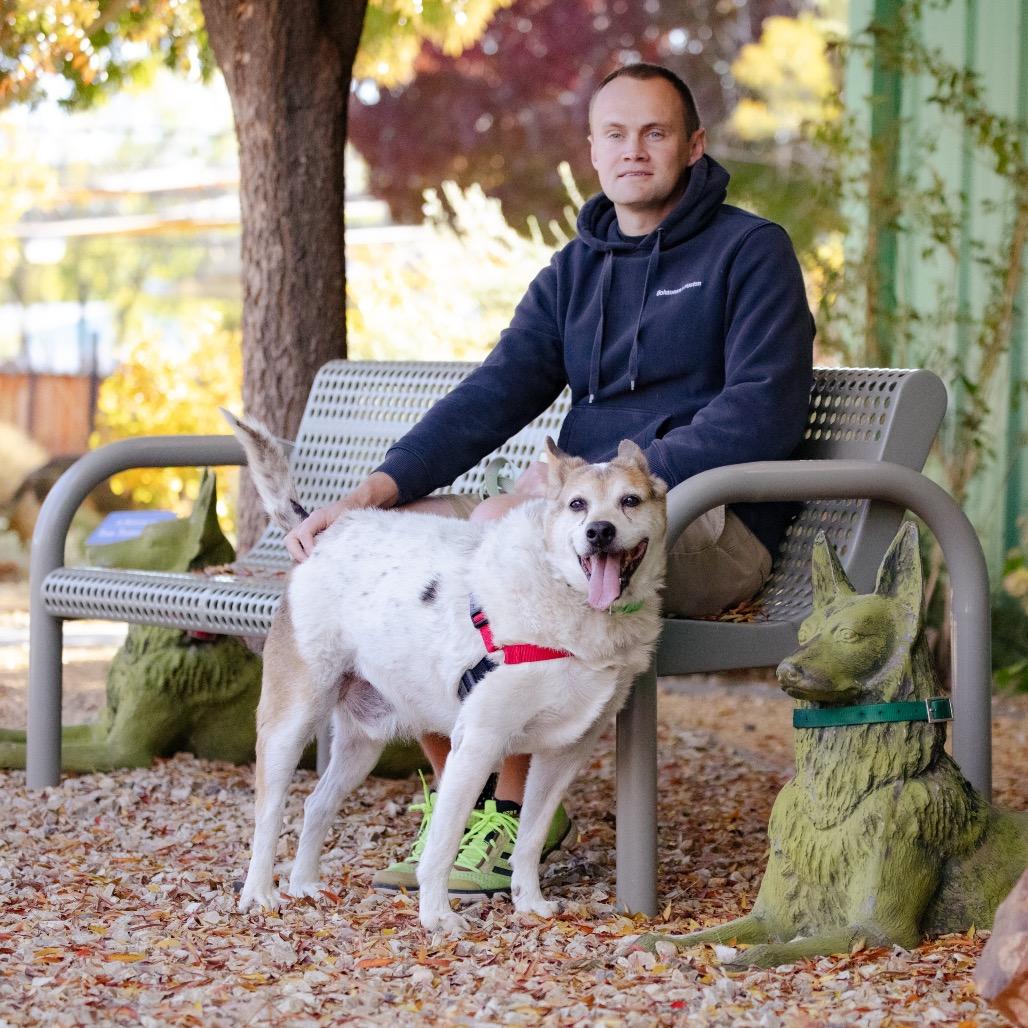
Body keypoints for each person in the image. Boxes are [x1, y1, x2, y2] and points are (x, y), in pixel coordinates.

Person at [285, 63, 815, 897]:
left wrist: (596, 488)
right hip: (581, 523)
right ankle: (483, 787)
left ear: (693, 146)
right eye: (615, 133)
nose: (634, 150)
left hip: (706, 518)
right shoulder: (576, 271)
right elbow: (494, 393)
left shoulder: (749, 254)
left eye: (655, 132)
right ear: (594, 151)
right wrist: (371, 497)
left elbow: (762, 410)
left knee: (505, 561)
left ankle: (502, 812)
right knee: (402, 551)